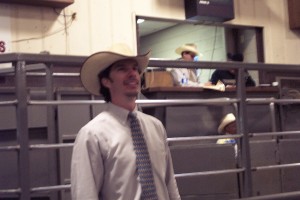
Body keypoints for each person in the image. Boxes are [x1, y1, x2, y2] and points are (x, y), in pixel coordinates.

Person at [70, 43, 181, 200]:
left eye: (135, 68)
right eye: (122, 68)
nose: (133, 74)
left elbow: (169, 182)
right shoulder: (92, 135)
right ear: (106, 81)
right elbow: (85, 194)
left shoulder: (156, 127)